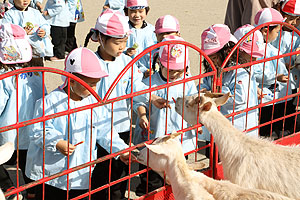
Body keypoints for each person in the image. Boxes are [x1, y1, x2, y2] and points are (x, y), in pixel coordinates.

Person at [25, 47, 135, 200]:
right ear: (71, 80)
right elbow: (38, 129)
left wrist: (120, 149)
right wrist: (56, 142)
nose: (93, 89)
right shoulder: (50, 102)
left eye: (96, 83)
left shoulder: (93, 103)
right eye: (89, 83)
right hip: (52, 173)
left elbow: (106, 130)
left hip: (80, 171)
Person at [84, 8, 143, 199]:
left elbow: (136, 88)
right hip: (96, 128)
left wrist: (151, 99)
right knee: (100, 172)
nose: (121, 47)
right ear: (101, 38)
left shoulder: (126, 62)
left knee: (120, 169)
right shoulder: (90, 63)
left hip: (121, 125)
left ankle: (119, 195)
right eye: (117, 42)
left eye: (124, 42)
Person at [132, 35, 197, 196]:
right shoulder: (150, 83)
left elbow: (193, 104)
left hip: (180, 139)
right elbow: (139, 102)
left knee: (179, 176)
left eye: (179, 70)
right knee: (152, 178)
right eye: (170, 69)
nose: (174, 74)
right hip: (156, 138)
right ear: (159, 63)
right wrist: (142, 116)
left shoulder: (187, 82)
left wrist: (196, 121)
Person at [0, 23, 45, 200]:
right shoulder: (36, 70)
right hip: (32, 127)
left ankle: (9, 188)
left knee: (3, 158)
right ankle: (33, 192)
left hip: (9, 130)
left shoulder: (4, 76)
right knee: (29, 162)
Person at [199, 24, 260, 147]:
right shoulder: (212, 70)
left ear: (227, 52)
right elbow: (203, 85)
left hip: (240, 128)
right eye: (208, 58)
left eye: (215, 57)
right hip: (219, 129)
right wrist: (201, 91)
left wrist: (214, 92)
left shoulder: (240, 71)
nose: (212, 62)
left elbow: (240, 97)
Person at [252, 7, 294, 137]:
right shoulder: (256, 50)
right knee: (265, 126)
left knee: (277, 118)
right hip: (265, 96)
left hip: (276, 94)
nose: (278, 35)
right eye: (277, 31)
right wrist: (276, 77)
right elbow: (256, 72)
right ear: (266, 31)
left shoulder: (269, 47)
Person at [2, 0, 53, 66]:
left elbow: (45, 24)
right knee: (21, 71)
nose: (25, 0)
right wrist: (21, 32)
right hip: (20, 51)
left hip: (36, 50)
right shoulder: (9, 14)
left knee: (36, 71)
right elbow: (6, 31)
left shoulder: (35, 13)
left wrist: (44, 31)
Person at [124, 0, 157, 75]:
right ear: (126, 12)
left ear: (146, 11)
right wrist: (126, 51)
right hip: (128, 71)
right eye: (133, 11)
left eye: (141, 11)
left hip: (148, 72)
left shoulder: (152, 31)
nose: (137, 15)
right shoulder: (123, 29)